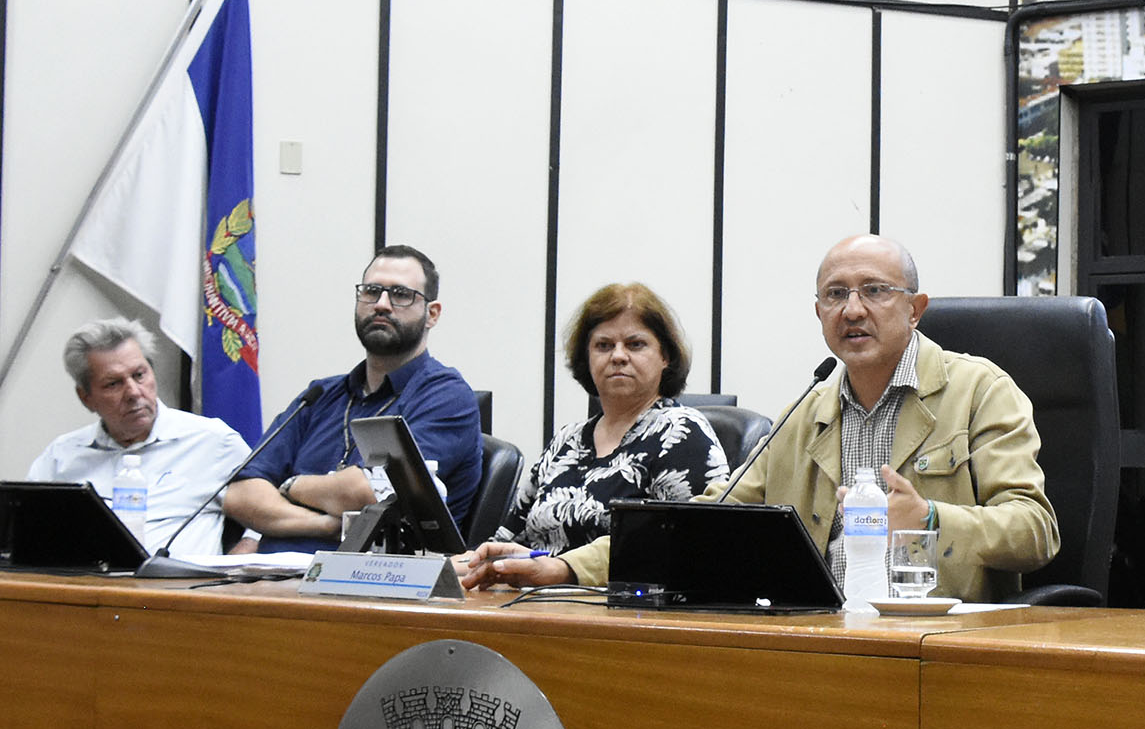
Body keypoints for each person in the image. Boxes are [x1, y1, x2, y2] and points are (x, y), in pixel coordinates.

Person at [463, 234, 1058, 600]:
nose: (852, 309)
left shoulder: (980, 389)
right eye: (834, 294)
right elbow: (701, 522)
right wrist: (566, 568)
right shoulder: (809, 409)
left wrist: (929, 518)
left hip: (939, 640)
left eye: (874, 291)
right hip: (814, 636)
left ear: (915, 308)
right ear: (818, 312)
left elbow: (1035, 530)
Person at [222, 245, 483, 548]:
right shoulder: (319, 396)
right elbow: (240, 495)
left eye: (401, 294)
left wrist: (290, 485)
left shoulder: (445, 396)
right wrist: (325, 525)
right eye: (372, 291)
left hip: (373, 583)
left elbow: (368, 492)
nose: (381, 304)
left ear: (432, 314)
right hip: (272, 580)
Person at [483, 282, 730, 555]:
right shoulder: (567, 439)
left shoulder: (681, 432)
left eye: (635, 345)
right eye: (604, 345)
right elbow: (506, 541)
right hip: (531, 592)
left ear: (665, 357)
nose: (618, 356)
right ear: (586, 359)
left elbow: (691, 548)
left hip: (615, 595)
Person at [26, 317, 250, 550]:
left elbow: (271, 512)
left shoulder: (212, 442)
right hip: (85, 583)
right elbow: (23, 530)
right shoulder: (60, 458)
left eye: (139, 375)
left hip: (182, 584)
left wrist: (241, 558)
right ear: (86, 398)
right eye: (113, 384)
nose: (133, 392)